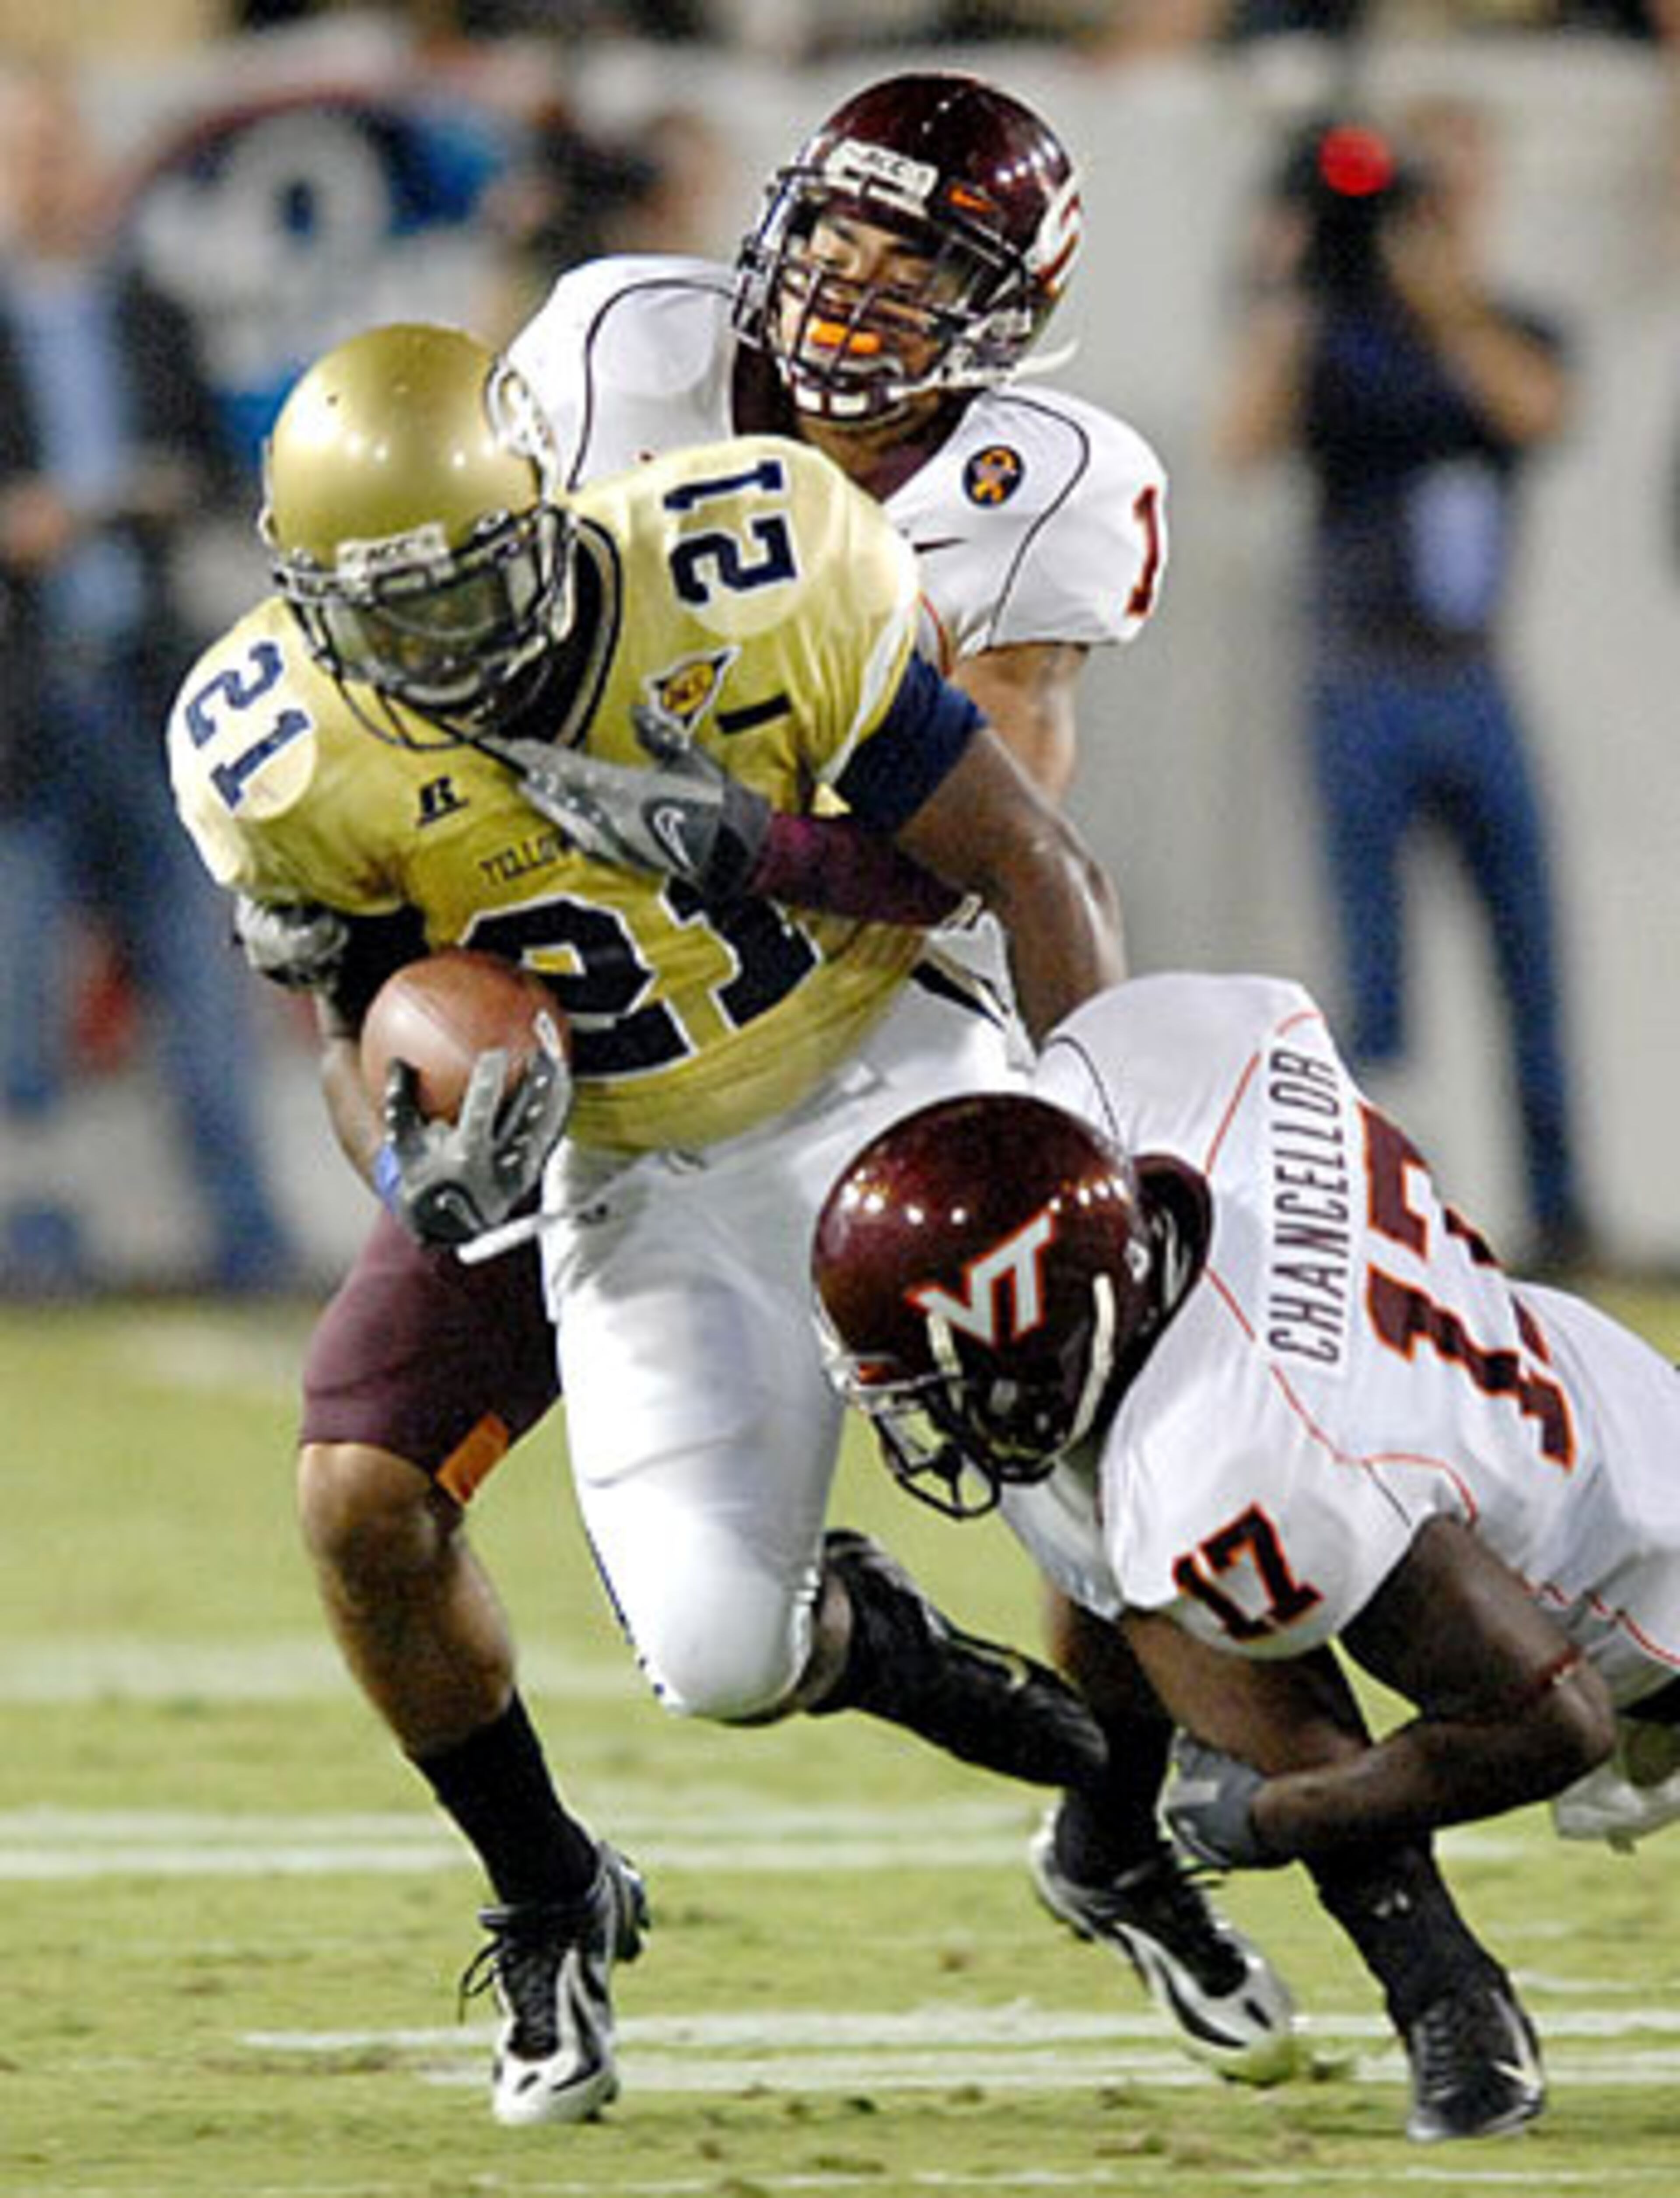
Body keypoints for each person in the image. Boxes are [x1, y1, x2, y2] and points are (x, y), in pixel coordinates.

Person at [228, 69, 1311, 2109]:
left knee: (1119, 1438)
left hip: (871, 992)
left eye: (923, 266)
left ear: (1011, 312)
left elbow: (998, 840)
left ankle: (1118, 1821)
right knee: (364, 1482)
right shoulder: (625, 346)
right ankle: (552, 1894)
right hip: (570, 1005)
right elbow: (430, 639)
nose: (856, 289)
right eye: (841, 232)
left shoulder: (1026, 491)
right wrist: (412, 1109)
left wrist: (746, 837)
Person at [809, 962, 1680, 2138]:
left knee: (1147, 1549)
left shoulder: (1232, 1457)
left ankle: (1437, 1982)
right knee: (1103, 1513)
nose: (936, 1429)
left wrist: (1274, 1820)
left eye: (951, 1388)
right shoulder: (1181, 1073)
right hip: (1598, 1393)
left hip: (1642, 1614)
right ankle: (1112, 1846)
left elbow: (1549, 1722)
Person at [1212, 104, 1595, 1274]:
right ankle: (1374, 1227)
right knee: (1375, 985)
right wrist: (1290, 288)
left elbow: (1538, 409)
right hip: (1360, 682)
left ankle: (1560, 1215)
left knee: (1531, 961)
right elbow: (1239, 445)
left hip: (1476, 683)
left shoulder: (1500, 325)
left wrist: (1440, 290)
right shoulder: (1336, 334)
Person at [0, 59, 294, 1292]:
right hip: (17, 699)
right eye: (19, 151)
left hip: (148, 686)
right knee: (17, 999)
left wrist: (153, 496)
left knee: (204, 976)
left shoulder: (150, 309)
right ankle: (29, 1245)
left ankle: (248, 1235)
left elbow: (222, 471)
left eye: (55, 147)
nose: (43, 174)